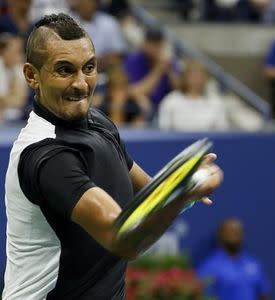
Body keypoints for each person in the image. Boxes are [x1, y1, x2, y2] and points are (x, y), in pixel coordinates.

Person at [2, 13, 223, 299]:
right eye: (65, 70)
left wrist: (182, 191)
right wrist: (180, 192)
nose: (81, 84)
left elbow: (147, 191)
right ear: (32, 75)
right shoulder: (47, 155)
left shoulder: (98, 122)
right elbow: (122, 238)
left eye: (89, 67)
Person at [197, 218, 271, 300]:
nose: (235, 234)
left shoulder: (254, 263)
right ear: (220, 234)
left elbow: (264, 294)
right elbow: (204, 296)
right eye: (230, 231)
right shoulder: (209, 266)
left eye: (238, 231)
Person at [124, 27, 180, 120]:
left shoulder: (169, 62)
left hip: (166, 106)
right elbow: (132, 91)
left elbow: (180, 89)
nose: (155, 48)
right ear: (145, 43)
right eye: (151, 43)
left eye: (158, 44)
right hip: (143, 108)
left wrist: (169, 71)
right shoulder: (134, 60)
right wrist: (158, 71)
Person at [158, 59, 229, 131]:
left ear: (205, 78)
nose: (196, 79)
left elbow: (222, 131)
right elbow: (164, 130)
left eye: (199, 75)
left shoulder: (216, 102)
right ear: (185, 77)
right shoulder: (171, 101)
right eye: (192, 75)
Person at [0, 32, 27, 123]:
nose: (19, 56)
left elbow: (20, 101)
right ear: (3, 51)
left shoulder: (19, 68)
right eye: (16, 51)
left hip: (16, 118)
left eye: (20, 51)